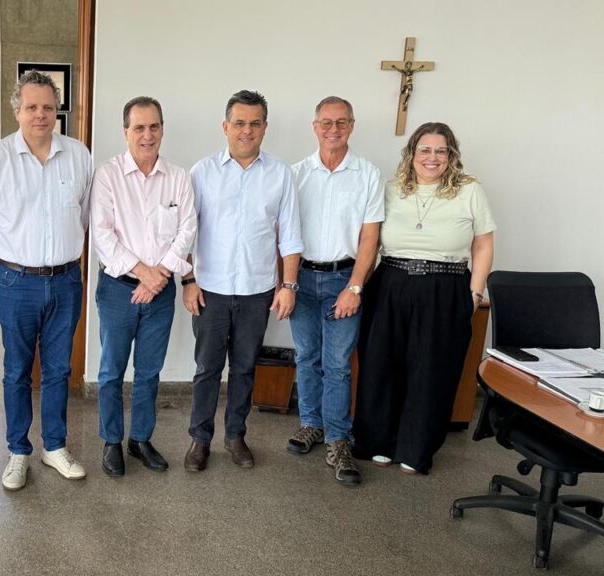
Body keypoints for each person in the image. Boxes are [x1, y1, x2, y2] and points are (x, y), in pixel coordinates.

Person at [0, 71, 93, 490]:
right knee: (16, 371)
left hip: (64, 281)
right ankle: (18, 450)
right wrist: (14, 261)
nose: (40, 114)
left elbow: (84, 216)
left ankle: (54, 446)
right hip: (15, 281)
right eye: (31, 107)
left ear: (57, 108)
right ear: (16, 110)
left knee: (59, 369)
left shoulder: (79, 155)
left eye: (47, 106)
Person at [353, 122, 495, 475]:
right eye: (425, 150)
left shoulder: (469, 190)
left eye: (441, 151)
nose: (432, 158)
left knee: (431, 370)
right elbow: (370, 240)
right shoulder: (391, 189)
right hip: (391, 282)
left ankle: (415, 449)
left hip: (445, 285)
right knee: (382, 365)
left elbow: (483, 243)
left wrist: (475, 292)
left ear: (451, 156)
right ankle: (377, 442)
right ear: (412, 154)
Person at [183, 90, 303, 472]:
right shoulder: (202, 172)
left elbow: (292, 236)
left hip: (257, 291)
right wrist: (188, 279)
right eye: (239, 123)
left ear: (264, 128)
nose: (246, 131)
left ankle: (235, 436)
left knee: (245, 368)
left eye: (254, 123)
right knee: (206, 369)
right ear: (225, 127)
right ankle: (199, 440)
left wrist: (289, 286)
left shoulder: (281, 174)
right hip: (211, 290)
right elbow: (184, 233)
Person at [90, 96, 197, 476]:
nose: (147, 135)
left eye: (154, 127)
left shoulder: (179, 177)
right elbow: (102, 235)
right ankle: (111, 441)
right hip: (119, 289)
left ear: (162, 130)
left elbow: (187, 231)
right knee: (111, 371)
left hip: (160, 292)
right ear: (126, 132)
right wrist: (142, 271)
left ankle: (140, 440)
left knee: (149, 372)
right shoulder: (107, 175)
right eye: (139, 127)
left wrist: (159, 277)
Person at [287, 97, 383, 486]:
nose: (333, 129)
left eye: (341, 122)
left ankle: (339, 438)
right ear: (314, 127)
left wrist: (355, 287)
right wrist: (287, 284)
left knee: (338, 364)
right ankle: (311, 424)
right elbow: (286, 235)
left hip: (345, 280)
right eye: (326, 122)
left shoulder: (368, 174)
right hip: (304, 279)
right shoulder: (295, 174)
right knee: (307, 356)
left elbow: (370, 238)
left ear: (352, 126)